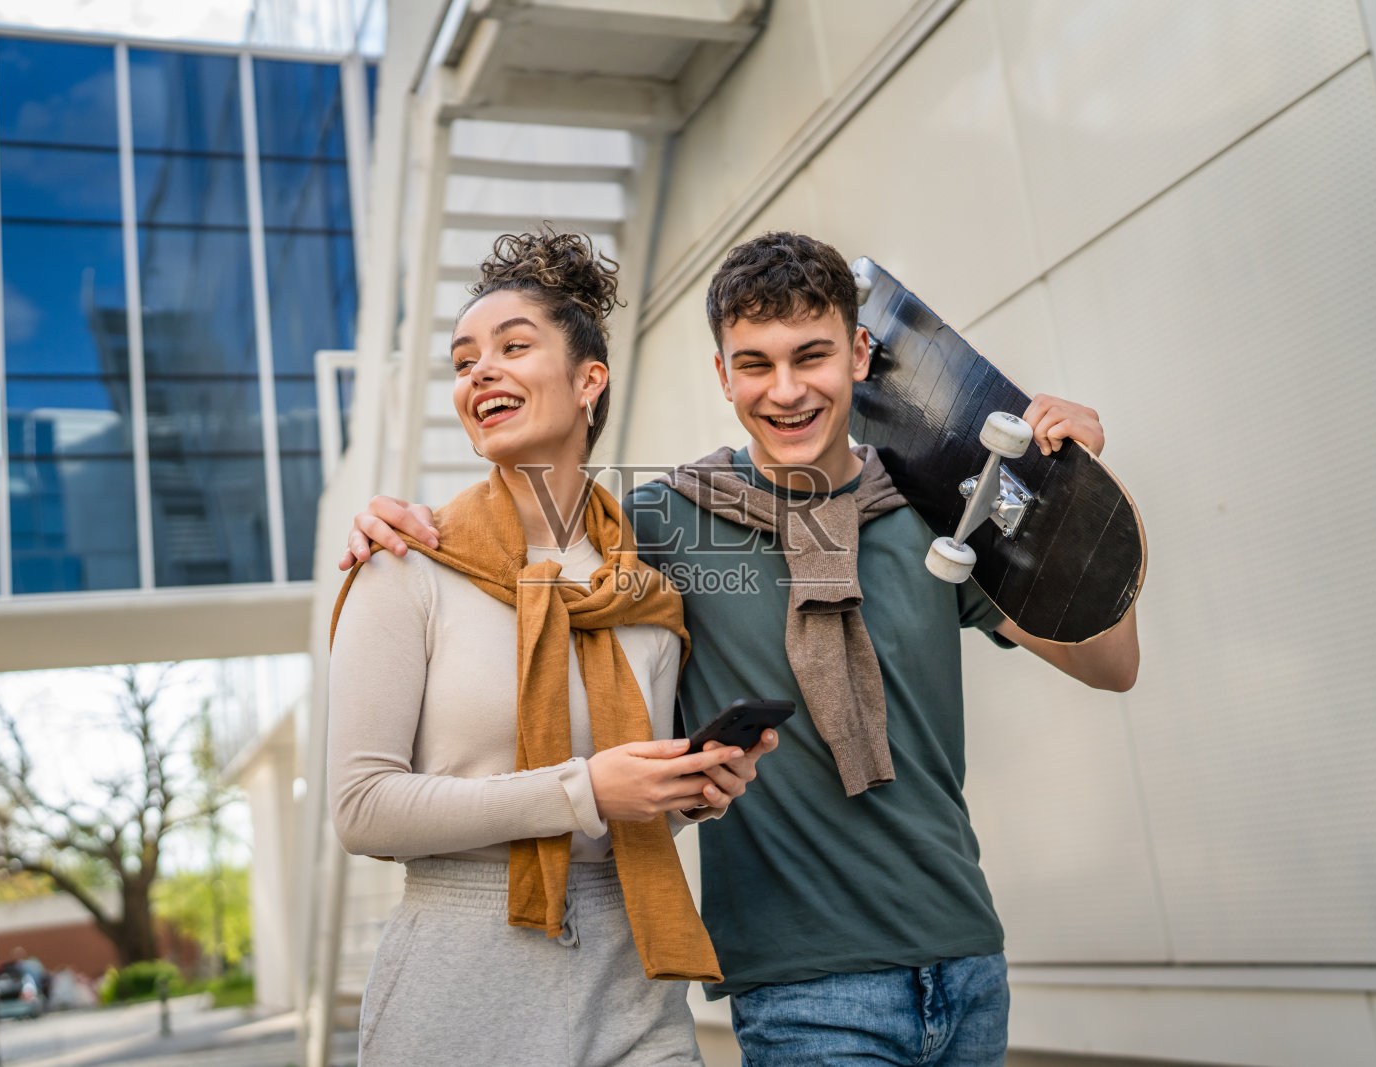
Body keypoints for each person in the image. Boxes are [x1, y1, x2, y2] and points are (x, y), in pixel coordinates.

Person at [340, 232, 1140, 1066]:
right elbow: (523, 535)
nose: (786, 390)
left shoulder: (933, 514)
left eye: (812, 356)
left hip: (967, 959)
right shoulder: (659, 524)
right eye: (755, 364)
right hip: (802, 986)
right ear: (723, 376)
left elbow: (1110, 664)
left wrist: (1079, 497)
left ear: (859, 355)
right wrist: (399, 523)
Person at [326, 230, 776, 1067]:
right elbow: (362, 807)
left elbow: (623, 811)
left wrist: (692, 793)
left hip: (630, 979)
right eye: (464, 361)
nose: (480, 373)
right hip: (458, 986)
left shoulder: (645, 593)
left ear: (588, 381)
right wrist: (584, 788)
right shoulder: (405, 566)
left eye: (512, 347)